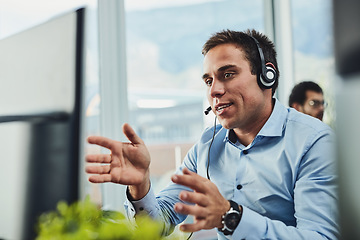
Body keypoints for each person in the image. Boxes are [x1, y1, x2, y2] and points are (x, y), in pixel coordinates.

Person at [85, 29, 338, 239]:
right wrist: (140, 185)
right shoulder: (207, 144)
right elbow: (156, 226)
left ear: (266, 75)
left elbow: (319, 236)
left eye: (227, 74)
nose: (214, 90)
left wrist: (232, 217)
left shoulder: (313, 142)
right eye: (208, 81)